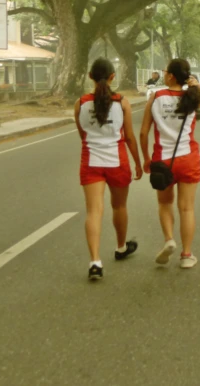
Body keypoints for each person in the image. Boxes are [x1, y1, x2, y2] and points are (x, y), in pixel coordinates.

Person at [140, 59, 200, 269]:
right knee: (187, 209)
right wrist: (195, 84)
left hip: (163, 159)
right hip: (188, 157)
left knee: (165, 204)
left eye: (165, 71)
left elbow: (144, 132)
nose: (163, 74)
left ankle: (169, 240)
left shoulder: (156, 97)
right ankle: (186, 255)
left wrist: (146, 158)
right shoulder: (191, 98)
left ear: (171, 76)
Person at [74, 58, 143, 280]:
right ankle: (121, 247)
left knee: (94, 211)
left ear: (90, 76)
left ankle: (95, 261)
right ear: (113, 76)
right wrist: (139, 163)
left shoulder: (80, 103)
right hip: (117, 161)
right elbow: (130, 137)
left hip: (91, 161)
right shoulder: (122, 103)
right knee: (119, 205)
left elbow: (82, 135)